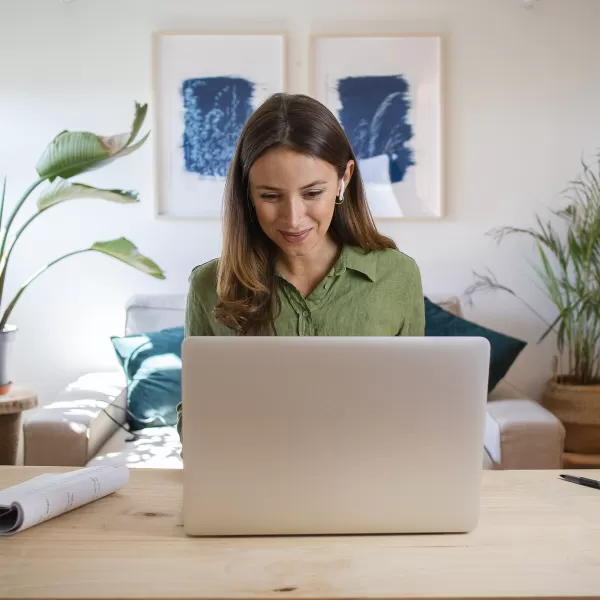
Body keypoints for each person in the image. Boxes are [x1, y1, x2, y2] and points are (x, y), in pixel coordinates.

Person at [177, 92, 424, 441]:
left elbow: (413, 407)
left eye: (312, 193)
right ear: (247, 192)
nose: (293, 219)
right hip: (251, 484)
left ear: (344, 179)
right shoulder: (209, 285)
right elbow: (198, 415)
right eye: (270, 196)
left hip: (368, 484)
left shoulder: (398, 276)